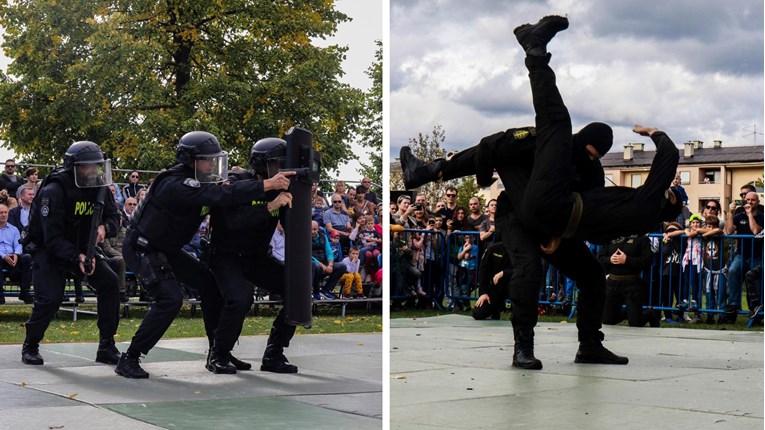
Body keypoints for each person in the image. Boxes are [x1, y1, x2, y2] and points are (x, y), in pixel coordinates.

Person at [400, 15, 683, 368]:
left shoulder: (595, 176)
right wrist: (467, 171)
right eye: (588, 150)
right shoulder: (554, 145)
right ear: (584, 141)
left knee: (593, 276)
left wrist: (561, 237)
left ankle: (590, 344)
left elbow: (595, 216)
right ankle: (523, 348)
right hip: (517, 212)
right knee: (528, 268)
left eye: (595, 156)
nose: (588, 158)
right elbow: (494, 145)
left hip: (556, 219)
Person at [115, 131, 294, 378]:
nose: (213, 164)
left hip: (168, 249)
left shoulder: (204, 179)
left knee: (211, 287)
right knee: (170, 299)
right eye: (207, 160)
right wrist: (268, 185)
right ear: (190, 159)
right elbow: (217, 196)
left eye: (214, 159)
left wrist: (249, 183)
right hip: (144, 246)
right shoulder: (173, 183)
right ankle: (130, 357)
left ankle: (218, 352)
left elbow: (226, 190)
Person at [21, 141, 122, 366]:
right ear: (74, 167)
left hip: (84, 248)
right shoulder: (53, 191)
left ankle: (107, 345)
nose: (95, 170)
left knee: (110, 283)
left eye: (97, 165)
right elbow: (52, 238)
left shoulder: (100, 187)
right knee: (51, 299)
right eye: (89, 166)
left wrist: (105, 228)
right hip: (50, 251)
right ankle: (31, 344)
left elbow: (114, 217)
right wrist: (79, 258)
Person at [207, 137, 300, 374]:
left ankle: (274, 354)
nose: (282, 170)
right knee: (240, 298)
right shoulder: (236, 181)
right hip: (226, 255)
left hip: (256, 257)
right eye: (278, 164)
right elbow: (233, 221)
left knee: (296, 289)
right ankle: (218, 354)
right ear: (262, 164)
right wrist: (270, 205)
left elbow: (292, 227)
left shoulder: (281, 189)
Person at [598, 234, 658, 327]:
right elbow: (600, 258)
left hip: (632, 284)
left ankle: (649, 313)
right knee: (607, 321)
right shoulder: (610, 237)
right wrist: (609, 259)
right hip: (612, 283)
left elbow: (647, 261)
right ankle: (629, 313)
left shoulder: (642, 239)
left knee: (635, 323)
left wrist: (627, 260)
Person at [722, 191, 763, 322]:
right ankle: (733, 305)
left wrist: (750, 214)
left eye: (752, 200)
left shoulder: (762, 216)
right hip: (742, 254)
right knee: (733, 271)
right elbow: (728, 231)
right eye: (747, 200)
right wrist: (730, 213)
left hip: (757, 256)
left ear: (757, 202)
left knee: (755, 283)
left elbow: (756, 231)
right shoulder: (739, 216)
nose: (749, 202)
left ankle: (755, 311)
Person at [0, 204, 33, 304]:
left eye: (5, 212)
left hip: (13, 257)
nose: (3, 215)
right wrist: (3, 256)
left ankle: (24, 292)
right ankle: (0, 295)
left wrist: (16, 254)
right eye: (1, 213)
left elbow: (18, 244)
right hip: (1, 257)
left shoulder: (14, 229)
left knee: (26, 258)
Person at [473, 241, 512, 320]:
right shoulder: (493, 248)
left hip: (514, 286)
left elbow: (523, 269)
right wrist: (483, 293)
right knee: (478, 313)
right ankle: (496, 308)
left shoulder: (521, 250)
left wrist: (504, 273)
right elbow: (483, 271)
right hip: (496, 287)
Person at [311, 220, 347, 300]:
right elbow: (308, 255)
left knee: (342, 266)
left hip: (325, 263)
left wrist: (330, 264)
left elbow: (329, 251)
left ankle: (326, 290)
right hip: (313, 265)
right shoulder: (304, 239)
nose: (313, 231)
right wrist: (323, 266)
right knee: (316, 266)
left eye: (315, 229)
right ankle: (316, 291)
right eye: (311, 229)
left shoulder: (323, 236)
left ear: (318, 229)